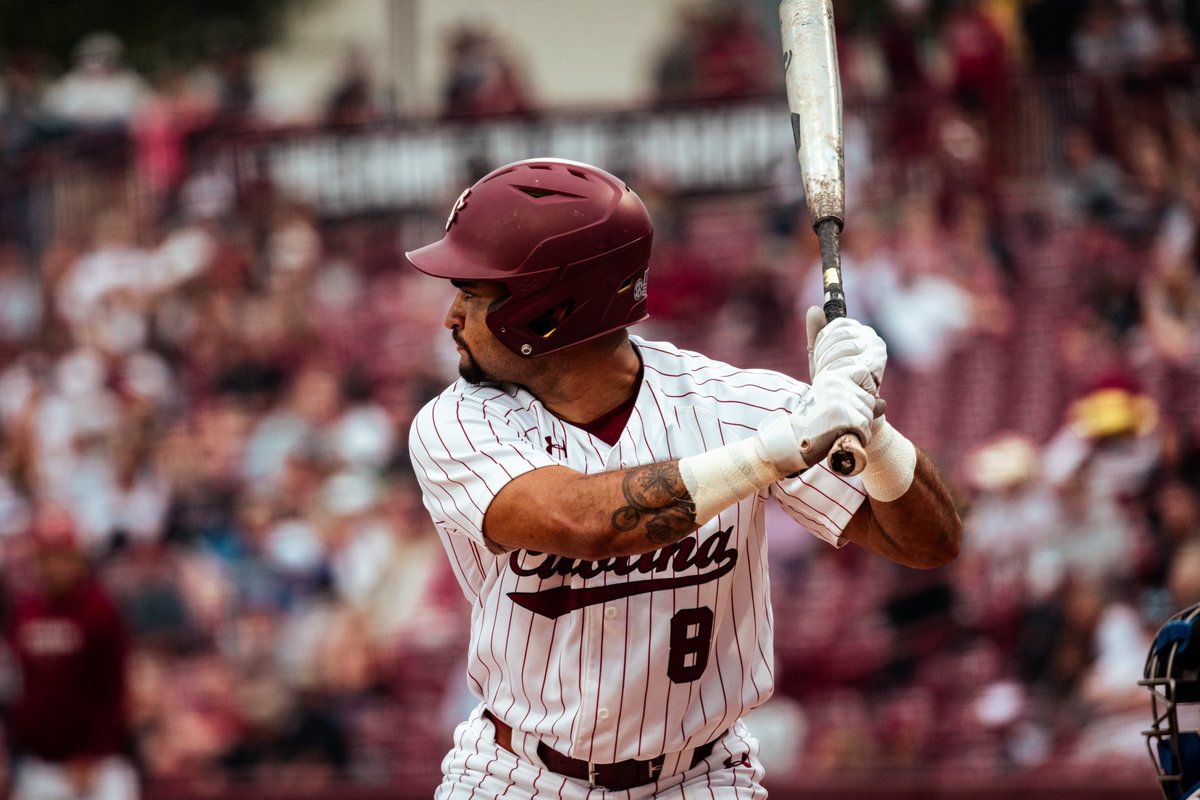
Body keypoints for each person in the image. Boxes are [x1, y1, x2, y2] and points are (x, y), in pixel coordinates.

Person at [406, 158, 961, 798]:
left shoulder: (728, 403)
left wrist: (872, 425)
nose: (450, 315)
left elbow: (930, 542)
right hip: (518, 774)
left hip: (701, 776)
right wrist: (777, 449)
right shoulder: (455, 423)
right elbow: (580, 522)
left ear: (548, 310)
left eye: (472, 294)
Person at [2, 508, 138, 800]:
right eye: (46, 557)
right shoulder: (26, 611)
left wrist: (93, 752)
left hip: (98, 764)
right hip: (40, 761)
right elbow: (19, 684)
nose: (54, 566)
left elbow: (112, 688)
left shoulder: (100, 611)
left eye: (62, 556)